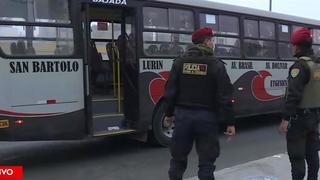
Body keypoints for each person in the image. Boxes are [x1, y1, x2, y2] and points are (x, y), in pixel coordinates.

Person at [164, 27, 236, 180]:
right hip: (207, 118)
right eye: (212, 40)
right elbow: (225, 96)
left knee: (177, 160)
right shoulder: (216, 64)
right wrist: (230, 122)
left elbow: (170, 92)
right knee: (206, 163)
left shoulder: (179, 62)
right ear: (206, 41)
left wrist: (169, 113)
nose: (213, 44)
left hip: (183, 117)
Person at [279, 27, 320, 180]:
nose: (292, 47)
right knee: (312, 153)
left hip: (299, 119)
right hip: (314, 116)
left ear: (297, 46)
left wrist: (285, 119)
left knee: (297, 156)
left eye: (293, 45)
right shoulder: (317, 63)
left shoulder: (300, 66)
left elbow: (294, 95)